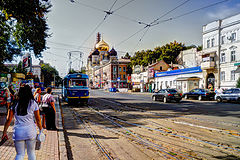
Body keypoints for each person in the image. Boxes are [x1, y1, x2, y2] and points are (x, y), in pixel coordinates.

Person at [1, 85, 42, 160]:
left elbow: (8, 119)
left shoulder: (14, 103)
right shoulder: (33, 103)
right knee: (31, 153)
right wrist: (41, 130)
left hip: (18, 131)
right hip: (30, 131)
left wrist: (4, 132)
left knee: (20, 154)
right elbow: (38, 119)